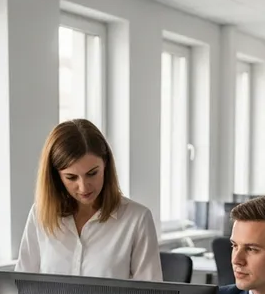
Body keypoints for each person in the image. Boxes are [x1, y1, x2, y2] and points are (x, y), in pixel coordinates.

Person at [16, 119, 162, 280]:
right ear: (56, 176)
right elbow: (21, 288)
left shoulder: (136, 219)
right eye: (71, 177)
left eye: (92, 173)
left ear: (105, 164)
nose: (84, 187)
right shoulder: (39, 215)